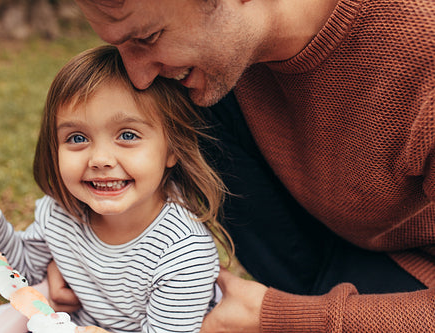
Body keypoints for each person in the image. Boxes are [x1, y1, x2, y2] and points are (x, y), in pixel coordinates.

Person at [42, 0, 434, 332]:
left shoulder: (423, 53)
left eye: (147, 38)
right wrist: (93, 255)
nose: (138, 73)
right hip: (321, 245)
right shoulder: (213, 62)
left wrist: (277, 315)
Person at [0, 45, 233, 333]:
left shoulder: (183, 251)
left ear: (172, 149)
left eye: (128, 135)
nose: (100, 160)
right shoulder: (61, 211)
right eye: (77, 137)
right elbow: (26, 272)